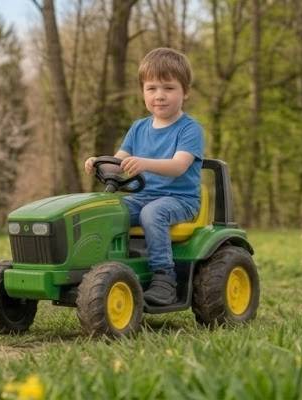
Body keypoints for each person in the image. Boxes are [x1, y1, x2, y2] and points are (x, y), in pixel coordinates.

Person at [82, 47, 204, 305]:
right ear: (143, 92)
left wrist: (144, 163)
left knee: (153, 213)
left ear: (185, 92)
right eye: (152, 88)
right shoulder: (138, 128)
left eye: (169, 88)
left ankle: (164, 278)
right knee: (104, 210)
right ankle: (102, 269)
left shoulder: (190, 129)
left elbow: (178, 166)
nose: (159, 96)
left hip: (179, 200)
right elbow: (118, 161)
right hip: (142, 196)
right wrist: (98, 163)